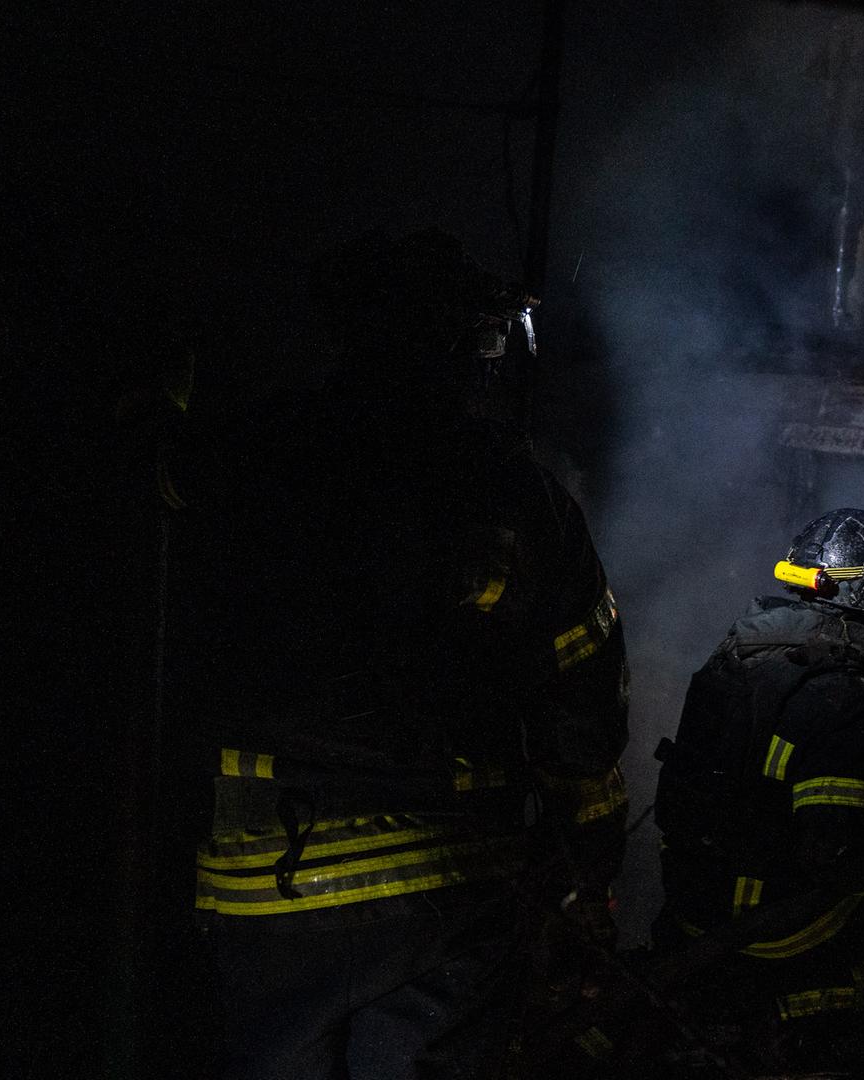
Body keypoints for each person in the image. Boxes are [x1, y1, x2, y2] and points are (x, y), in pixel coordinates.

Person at [166, 229, 629, 1079]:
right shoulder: (510, 491)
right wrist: (590, 861)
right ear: (459, 344)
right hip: (446, 883)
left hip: (264, 883)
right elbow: (582, 695)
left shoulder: (254, 457)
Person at [653, 507, 864, 1076]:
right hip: (771, 934)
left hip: (691, 909)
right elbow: (847, 862)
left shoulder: (729, 663)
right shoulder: (846, 697)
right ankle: (773, 1021)